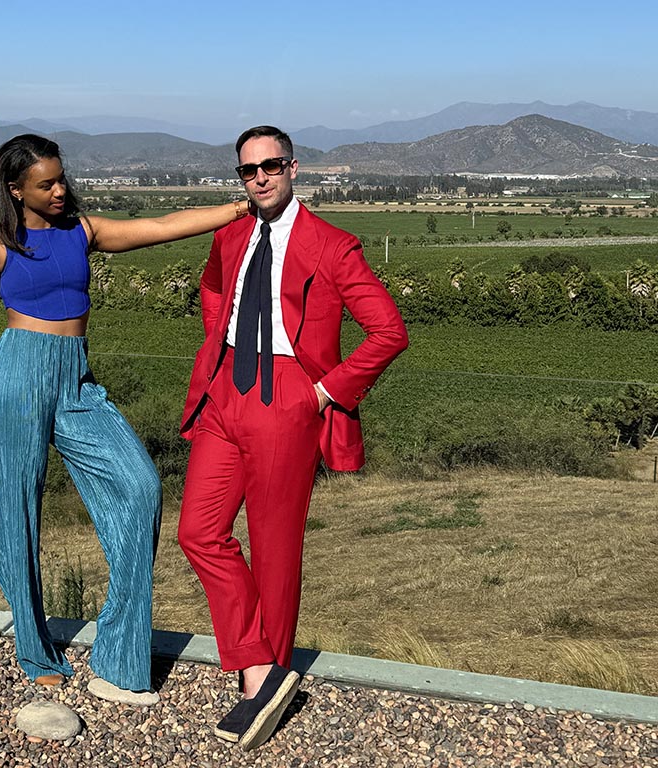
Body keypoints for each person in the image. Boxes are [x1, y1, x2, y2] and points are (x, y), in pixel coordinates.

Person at [0, 134, 249, 704]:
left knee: (140, 488)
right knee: (17, 517)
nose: (60, 190)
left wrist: (240, 208)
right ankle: (35, 650)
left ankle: (116, 654)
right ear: (16, 190)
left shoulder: (82, 231)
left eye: (62, 179)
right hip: (16, 377)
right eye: (46, 184)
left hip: (76, 379)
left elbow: (163, 226)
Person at [177, 126, 408, 749]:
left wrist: (323, 392)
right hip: (226, 387)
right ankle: (261, 664)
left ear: (293, 168)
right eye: (248, 169)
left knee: (275, 551)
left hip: (290, 398)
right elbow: (214, 288)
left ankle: (261, 690)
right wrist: (219, 346)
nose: (260, 177)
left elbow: (389, 331)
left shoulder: (332, 246)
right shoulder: (230, 233)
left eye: (271, 165)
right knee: (198, 532)